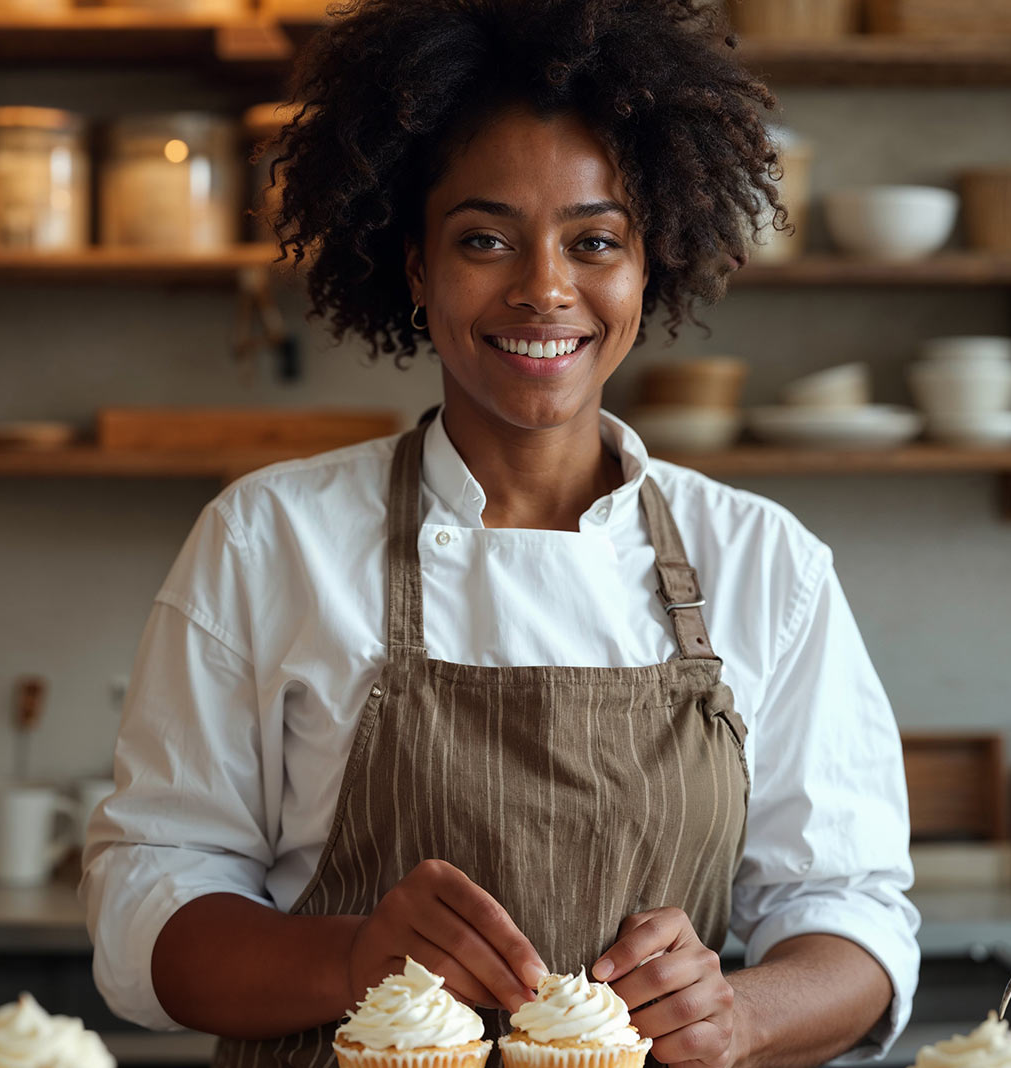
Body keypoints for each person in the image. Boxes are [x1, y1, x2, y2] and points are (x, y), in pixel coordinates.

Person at [81, 1, 919, 1065]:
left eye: (594, 241)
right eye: (485, 240)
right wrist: (349, 961)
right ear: (415, 266)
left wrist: (741, 1015)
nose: (544, 289)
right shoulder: (269, 538)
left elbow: (853, 916)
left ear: (649, 266)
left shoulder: (762, 561)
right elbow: (147, 905)